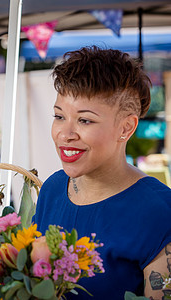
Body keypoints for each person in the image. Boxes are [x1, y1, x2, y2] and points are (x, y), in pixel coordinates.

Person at [33, 46, 171, 299]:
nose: (65, 134)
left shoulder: (161, 211)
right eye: (59, 116)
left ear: (126, 128)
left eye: (85, 120)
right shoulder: (52, 189)